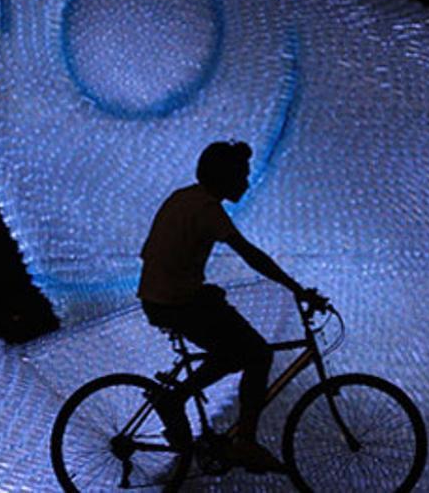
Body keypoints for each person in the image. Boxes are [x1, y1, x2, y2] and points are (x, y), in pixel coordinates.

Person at [137, 141, 327, 474]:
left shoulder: (184, 197)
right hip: (176, 301)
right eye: (241, 175)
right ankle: (244, 441)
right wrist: (297, 289)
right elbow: (250, 254)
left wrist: (196, 287)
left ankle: (176, 399)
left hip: (160, 297)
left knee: (232, 352)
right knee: (257, 354)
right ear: (224, 177)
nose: (246, 182)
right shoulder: (208, 209)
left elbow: (154, 252)